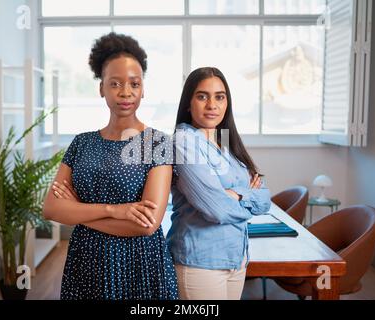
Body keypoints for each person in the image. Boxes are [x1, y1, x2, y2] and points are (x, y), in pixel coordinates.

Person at [42, 32, 178, 300]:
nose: (125, 92)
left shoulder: (158, 143)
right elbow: (51, 208)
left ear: (143, 89)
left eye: (134, 84)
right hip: (86, 263)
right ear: (101, 87)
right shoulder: (81, 143)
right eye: (115, 83)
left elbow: (147, 225)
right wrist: (115, 211)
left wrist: (79, 213)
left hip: (139, 264)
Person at [166, 67, 271, 300]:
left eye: (220, 97)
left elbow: (265, 198)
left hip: (237, 258)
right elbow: (217, 210)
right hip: (200, 262)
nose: (212, 105)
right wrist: (242, 197)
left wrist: (236, 194)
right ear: (188, 103)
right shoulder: (183, 142)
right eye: (202, 96)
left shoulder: (224, 142)